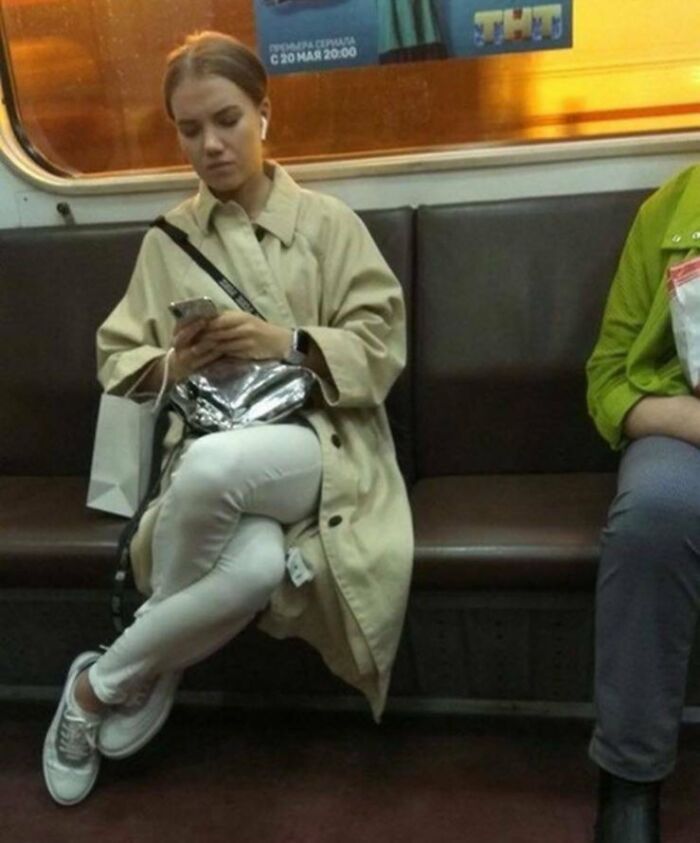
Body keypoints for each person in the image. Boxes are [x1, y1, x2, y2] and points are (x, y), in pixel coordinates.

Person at [42, 30, 412, 806]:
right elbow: (119, 362)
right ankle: (137, 669)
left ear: (264, 115)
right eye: (189, 129)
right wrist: (178, 361)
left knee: (212, 471)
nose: (210, 144)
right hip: (215, 437)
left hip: (321, 443)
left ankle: (99, 685)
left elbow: (382, 350)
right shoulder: (168, 240)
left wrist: (286, 342)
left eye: (227, 119)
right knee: (251, 567)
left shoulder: (328, 225)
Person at [586, 164, 700, 842]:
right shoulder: (668, 213)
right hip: (683, 422)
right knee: (654, 514)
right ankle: (630, 777)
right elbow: (607, 378)